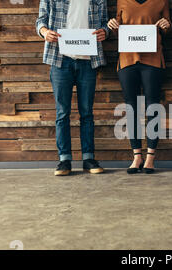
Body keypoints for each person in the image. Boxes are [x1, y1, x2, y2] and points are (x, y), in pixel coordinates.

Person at [36, 0, 109, 176]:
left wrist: (105, 32)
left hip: (88, 60)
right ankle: (64, 160)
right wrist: (44, 32)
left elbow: (105, 23)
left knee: (87, 112)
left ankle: (88, 158)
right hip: (60, 59)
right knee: (62, 113)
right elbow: (41, 20)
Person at [107, 0, 171, 174]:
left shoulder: (161, 1)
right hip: (127, 59)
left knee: (153, 107)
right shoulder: (122, 0)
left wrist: (166, 24)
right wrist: (112, 25)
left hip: (153, 59)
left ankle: (150, 156)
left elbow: (167, 26)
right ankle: (137, 156)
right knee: (131, 108)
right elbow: (117, 27)